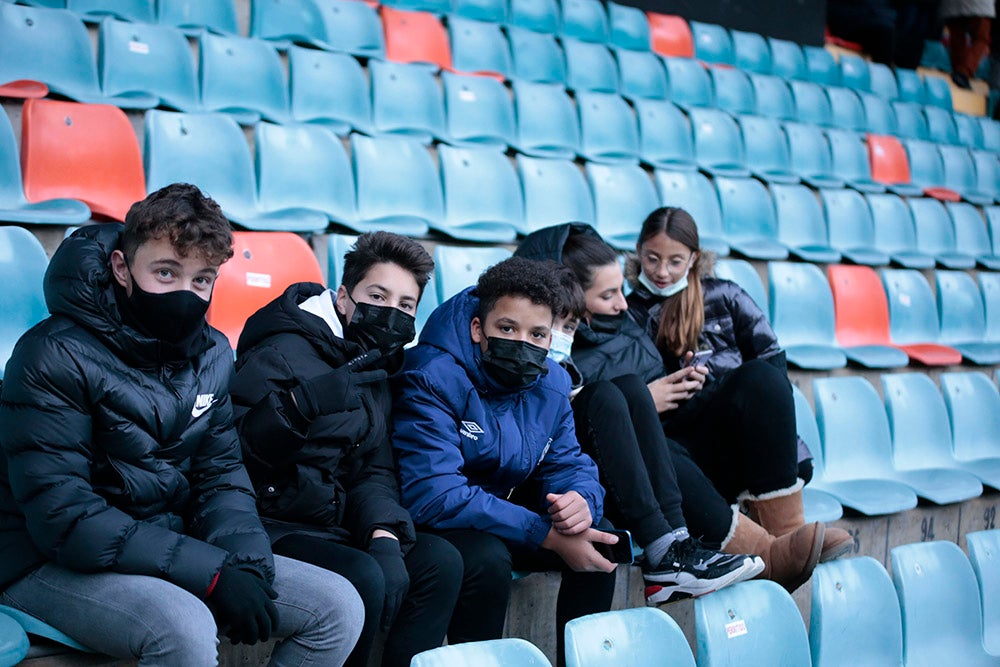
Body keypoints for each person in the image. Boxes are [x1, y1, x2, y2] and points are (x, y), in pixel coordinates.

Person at [0, 183, 363, 666]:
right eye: (166, 272)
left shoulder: (213, 353)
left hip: (156, 543)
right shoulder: (52, 354)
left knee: (337, 606)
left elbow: (221, 478)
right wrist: (211, 573)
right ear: (122, 268)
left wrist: (246, 567)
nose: (185, 295)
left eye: (202, 280)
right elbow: (65, 516)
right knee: (184, 626)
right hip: (43, 557)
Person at [516, 222, 837, 593]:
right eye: (607, 296)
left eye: (621, 289)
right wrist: (647, 400)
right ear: (566, 298)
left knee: (760, 379)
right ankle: (767, 555)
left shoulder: (622, 321)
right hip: (628, 474)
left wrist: (690, 381)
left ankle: (787, 534)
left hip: (672, 452)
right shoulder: (548, 344)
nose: (622, 302)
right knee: (652, 433)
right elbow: (586, 415)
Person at [230, 232, 462, 667]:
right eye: (378, 295)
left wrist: (383, 535)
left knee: (440, 563)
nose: (391, 313)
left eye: (405, 305)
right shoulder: (282, 350)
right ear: (342, 298)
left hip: (329, 518)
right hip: (270, 521)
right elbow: (238, 451)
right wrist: (299, 408)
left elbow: (373, 466)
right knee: (362, 576)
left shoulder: (377, 362)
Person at [391, 257, 616, 667]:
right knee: (487, 558)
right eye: (508, 329)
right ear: (479, 329)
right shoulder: (431, 374)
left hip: (495, 513)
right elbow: (433, 494)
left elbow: (569, 462)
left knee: (600, 540)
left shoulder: (553, 382)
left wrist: (580, 503)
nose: (523, 344)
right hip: (433, 520)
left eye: (538, 334)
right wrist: (543, 534)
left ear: (551, 340)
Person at [626, 209, 853, 564]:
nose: (662, 271)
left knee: (761, 377)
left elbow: (773, 363)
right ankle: (775, 552)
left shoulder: (727, 295)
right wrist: (680, 387)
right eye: (652, 259)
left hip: (743, 440)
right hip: (688, 447)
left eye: (675, 261)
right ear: (638, 252)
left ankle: (787, 537)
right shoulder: (630, 313)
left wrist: (716, 386)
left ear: (694, 259)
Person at [543, 263, 763, 603]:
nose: (622, 304)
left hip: (588, 477)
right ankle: (665, 551)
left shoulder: (572, 360)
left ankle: (675, 541)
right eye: (607, 294)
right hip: (555, 489)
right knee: (605, 396)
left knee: (631, 388)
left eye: (570, 326)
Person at [940, 0, 994, 88]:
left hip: (954, 5)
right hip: (980, 6)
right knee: (981, 38)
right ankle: (963, 72)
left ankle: (959, 70)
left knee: (957, 36)